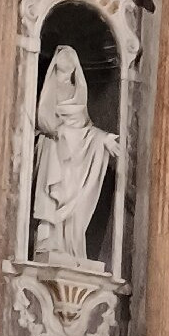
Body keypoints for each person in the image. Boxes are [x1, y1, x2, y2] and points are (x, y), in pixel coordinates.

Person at [32, 45, 120, 263]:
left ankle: (68, 244)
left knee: (73, 194)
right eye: (63, 59)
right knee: (52, 194)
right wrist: (60, 131)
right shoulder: (50, 87)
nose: (67, 61)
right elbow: (44, 120)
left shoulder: (78, 90)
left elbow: (85, 127)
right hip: (54, 148)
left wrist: (103, 138)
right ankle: (47, 240)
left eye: (71, 60)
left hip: (76, 154)